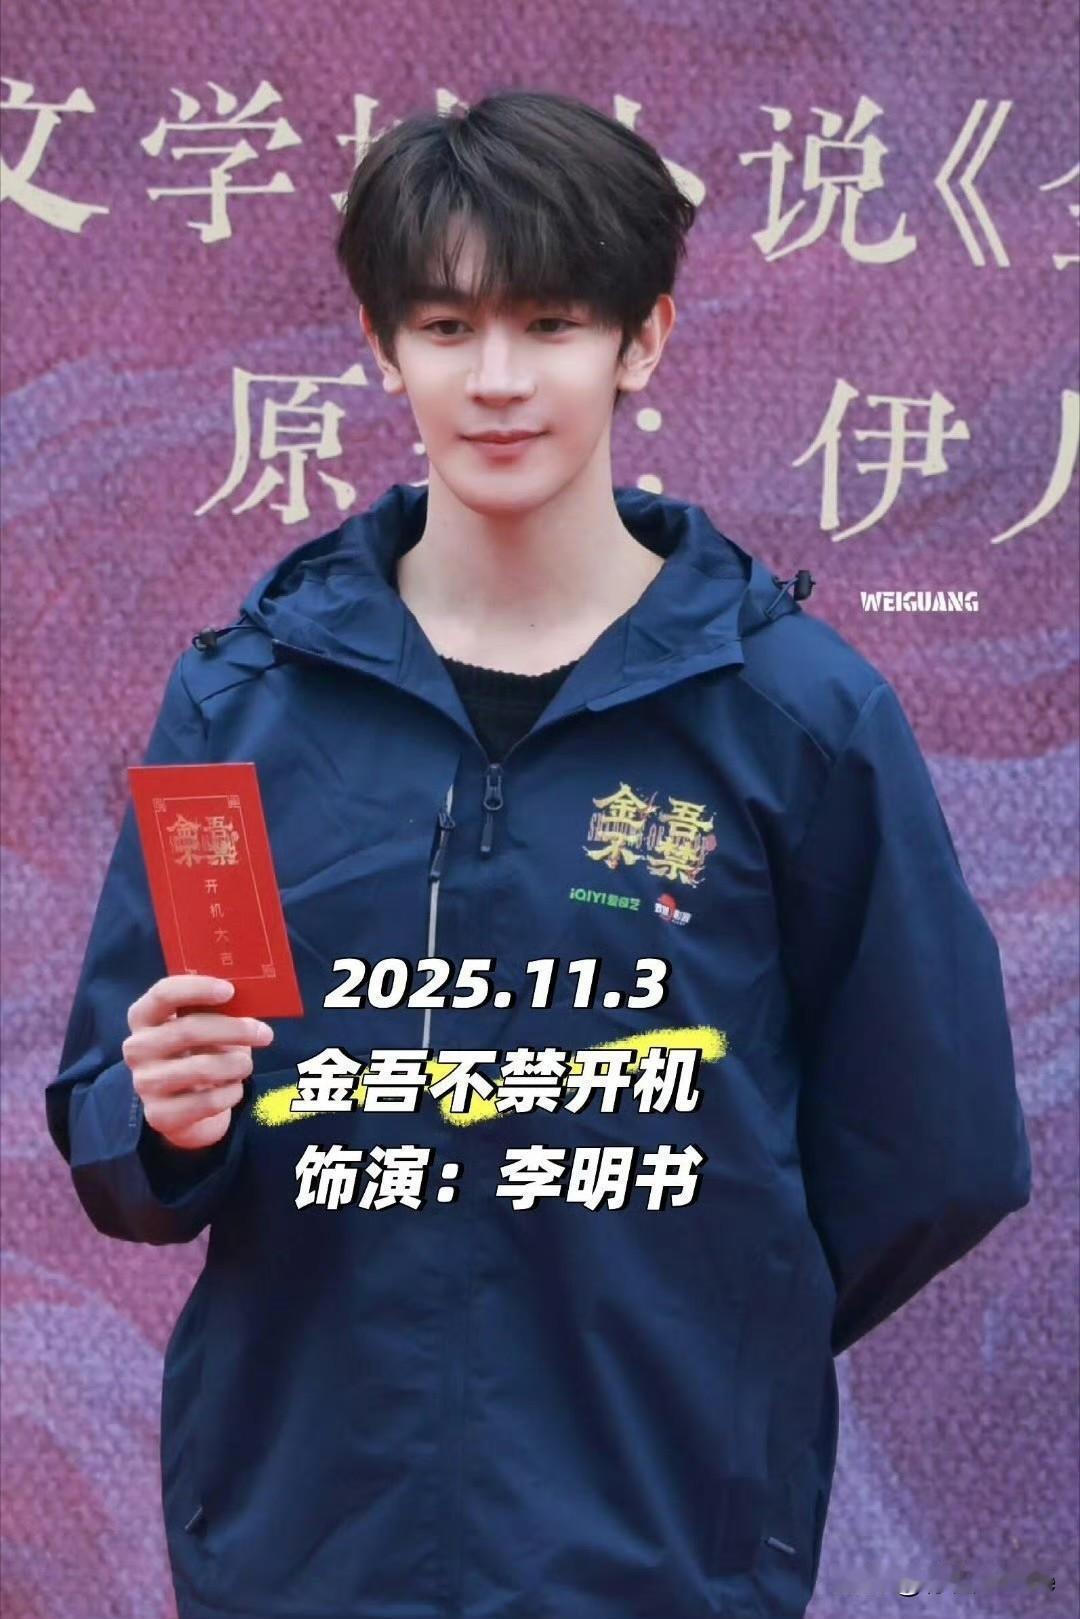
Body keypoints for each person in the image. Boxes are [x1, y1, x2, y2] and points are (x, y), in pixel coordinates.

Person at [46, 88, 1032, 1619]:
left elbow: (941, 1145)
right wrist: (165, 1118)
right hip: (309, 1542)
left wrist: (713, 1333)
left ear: (643, 340)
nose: (498, 380)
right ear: (382, 347)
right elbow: (124, 1121)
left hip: (658, 1552)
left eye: (552, 324)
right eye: (447, 328)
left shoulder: (793, 715)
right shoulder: (242, 709)